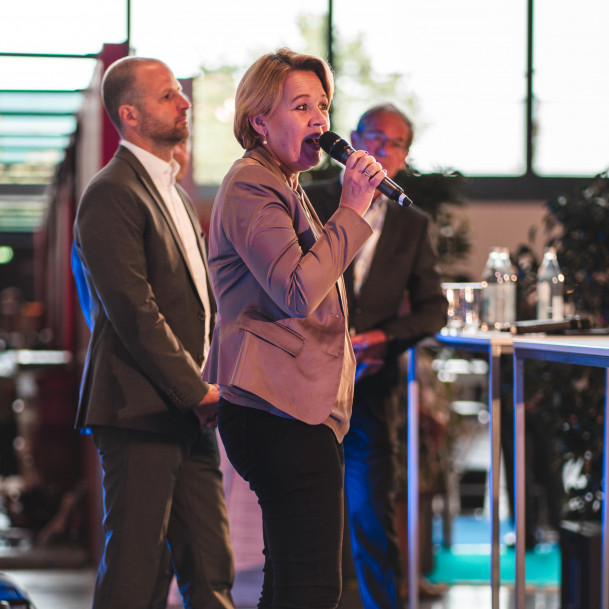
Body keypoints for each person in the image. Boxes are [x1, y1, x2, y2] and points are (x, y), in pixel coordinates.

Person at [202, 48, 384, 609]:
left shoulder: (284, 181)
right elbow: (297, 290)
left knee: (288, 585)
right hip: (276, 411)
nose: (319, 121)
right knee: (312, 589)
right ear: (259, 121)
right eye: (301, 107)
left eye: (323, 106)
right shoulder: (252, 185)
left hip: (289, 408)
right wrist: (352, 210)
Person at [72, 56, 234, 609]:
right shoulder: (111, 191)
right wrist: (196, 390)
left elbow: (196, 303)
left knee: (211, 568)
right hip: (139, 409)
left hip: (189, 407)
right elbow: (132, 311)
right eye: (168, 95)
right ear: (130, 114)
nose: (184, 102)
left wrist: (204, 387)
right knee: (136, 573)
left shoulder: (174, 191)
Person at [305, 103, 448, 609]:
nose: (380, 150)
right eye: (372, 137)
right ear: (352, 142)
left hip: (371, 386)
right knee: (307, 514)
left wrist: (384, 338)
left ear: (405, 156)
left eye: (393, 143)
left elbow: (433, 309)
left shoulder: (413, 222)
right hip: (308, 382)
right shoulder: (310, 198)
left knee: (371, 513)